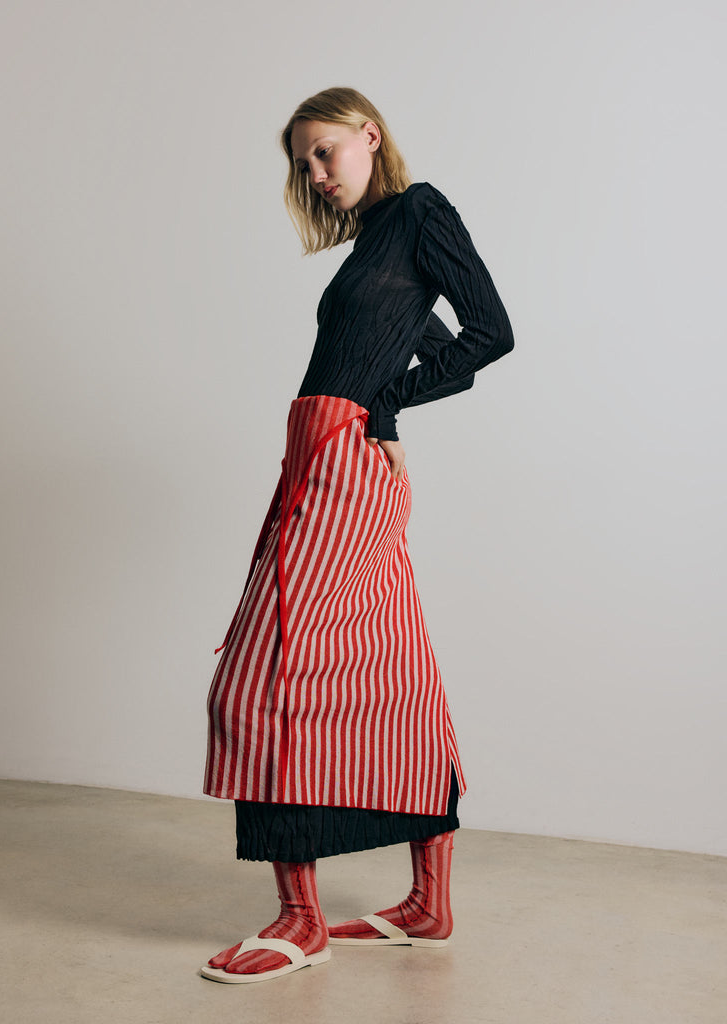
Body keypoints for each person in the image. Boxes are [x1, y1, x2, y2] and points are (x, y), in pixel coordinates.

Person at [200, 86, 514, 984]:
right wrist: (385, 416)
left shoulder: (418, 211)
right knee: (392, 664)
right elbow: (415, 344)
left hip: (341, 462)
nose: (314, 172)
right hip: (325, 459)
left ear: (369, 134)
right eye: (301, 162)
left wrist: (383, 409)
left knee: (265, 673)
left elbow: (488, 334)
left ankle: (301, 921)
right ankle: (429, 902)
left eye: (324, 150)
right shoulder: (375, 241)